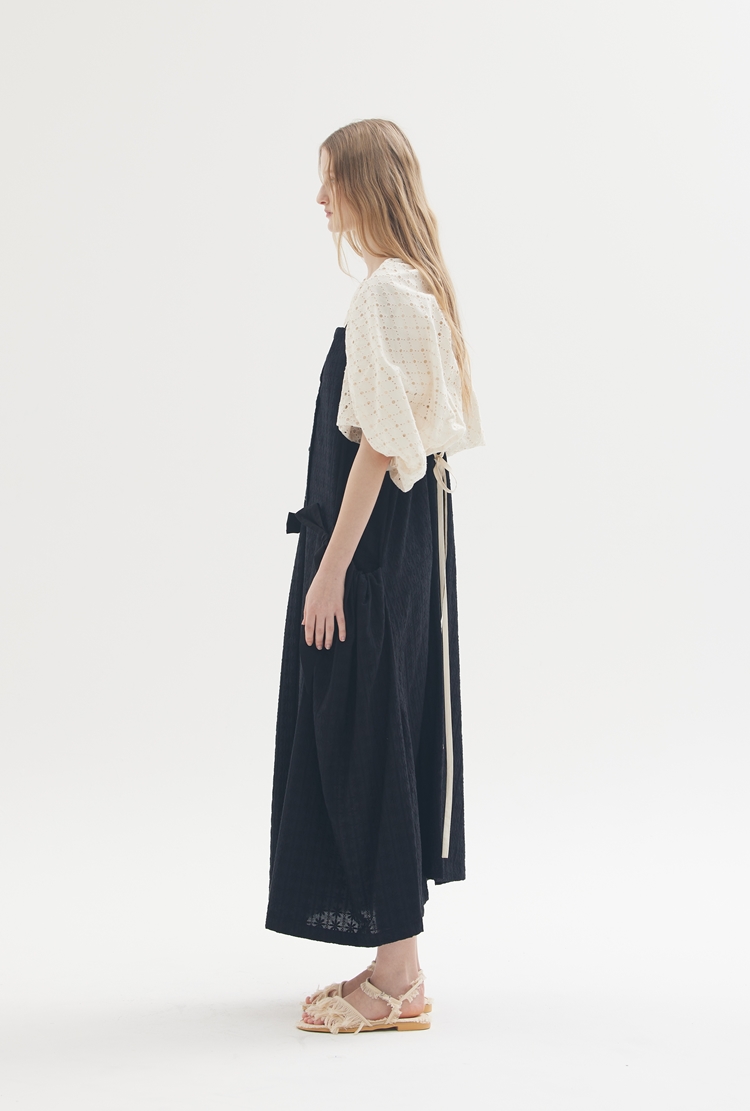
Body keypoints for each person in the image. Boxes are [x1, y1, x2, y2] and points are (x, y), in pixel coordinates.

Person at [265, 119, 485, 1034]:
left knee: (365, 736)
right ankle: (399, 964)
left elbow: (383, 444)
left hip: (369, 553)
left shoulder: (386, 292)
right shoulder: (415, 284)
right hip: (403, 551)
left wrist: (329, 572)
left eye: (331, 180)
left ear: (364, 184)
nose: (320, 199)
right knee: (381, 729)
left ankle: (396, 980)